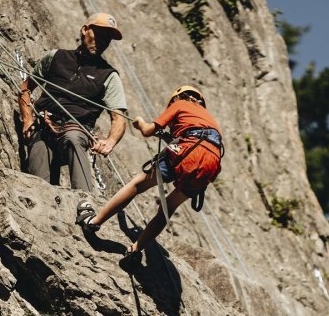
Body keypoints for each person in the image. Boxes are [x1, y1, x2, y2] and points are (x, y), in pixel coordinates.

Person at [76, 85, 223, 260]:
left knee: (138, 184)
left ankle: (93, 223)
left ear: (177, 98)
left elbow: (146, 130)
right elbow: (193, 137)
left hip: (190, 151)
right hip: (211, 162)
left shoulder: (180, 104)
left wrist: (139, 123)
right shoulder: (208, 118)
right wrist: (165, 136)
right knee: (168, 207)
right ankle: (135, 251)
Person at [18, 13, 127, 192]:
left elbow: (119, 117)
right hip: (44, 127)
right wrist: (28, 119)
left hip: (75, 130)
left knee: (73, 139)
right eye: (99, 35)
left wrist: (110, 141)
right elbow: (25, 89)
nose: (103, 42)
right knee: (39, 179)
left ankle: (85, 201)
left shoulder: (108, 75)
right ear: (85, 30)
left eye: (107, 39)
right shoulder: (56, 57)